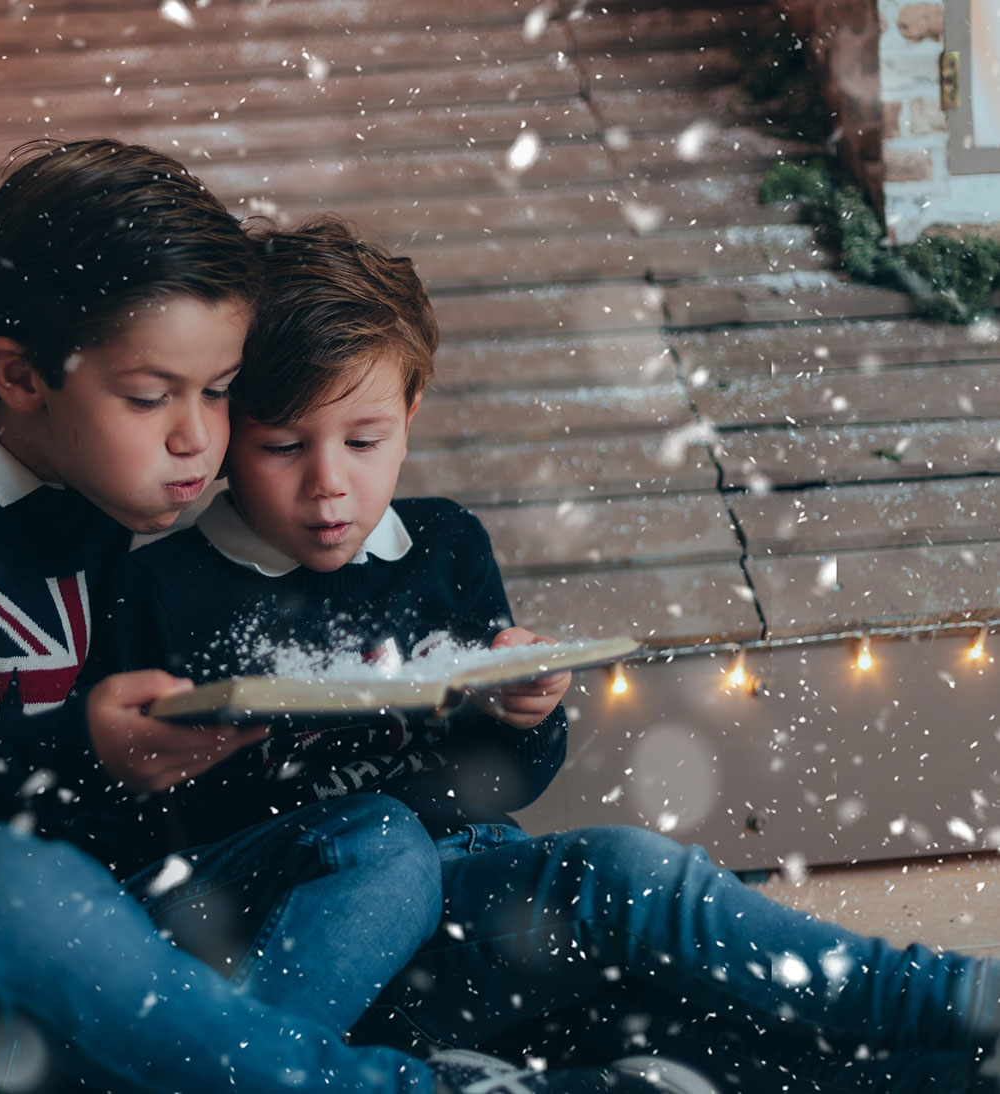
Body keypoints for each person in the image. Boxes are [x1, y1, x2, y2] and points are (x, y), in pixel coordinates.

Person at [0, 136, 679, 1094]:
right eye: (154, 395)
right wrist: (80, 750)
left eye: (217, 393)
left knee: (381, 840)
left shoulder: (109, 477)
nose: (199, 442)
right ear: (20, 375)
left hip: (112, 948)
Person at [86, 215, 1000, 1093]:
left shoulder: (440, 549)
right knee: (601, 873)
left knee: (685, 1012)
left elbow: (509, 780)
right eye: (282, 447)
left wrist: (521, 712)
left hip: (477, 902)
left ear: (409, 410)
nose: (329, 484)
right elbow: (149, 843)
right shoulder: (161, 588)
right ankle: (949, 994)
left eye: (364, 442)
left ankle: (951, 1062)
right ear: (224, 429)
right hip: (306, 945)